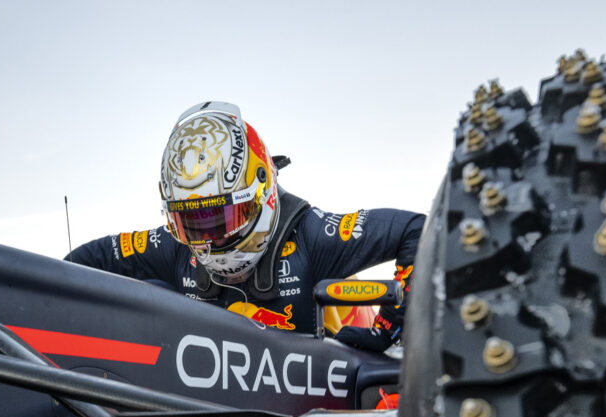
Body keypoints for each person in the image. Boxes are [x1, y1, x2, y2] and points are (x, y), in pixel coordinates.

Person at [67, 101, 422, 352]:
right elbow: (78, 264)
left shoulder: (313, 235)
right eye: (191, 223)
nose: (209, 238)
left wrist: (387, 328)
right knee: (152, 289)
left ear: (262, 192)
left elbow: (416, 230)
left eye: (220, 219)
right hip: (212, 407)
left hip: (321, 405)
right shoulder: (172, 246)